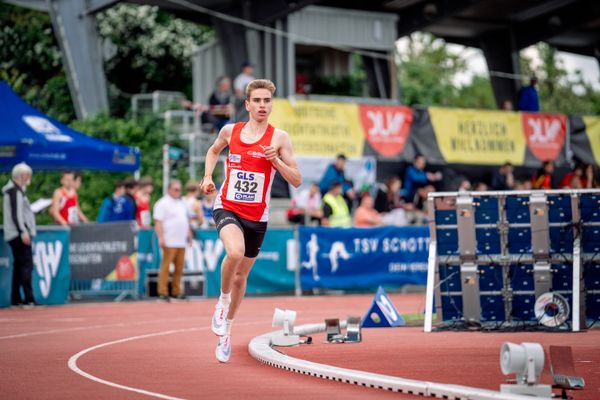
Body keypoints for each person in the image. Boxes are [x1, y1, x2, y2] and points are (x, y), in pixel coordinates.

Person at [200, 79, 301, 363]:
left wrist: (276, 162)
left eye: (267, 101)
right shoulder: (230, 131)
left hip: (257, 216)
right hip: (227, 206)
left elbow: (297, 180)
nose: (262, 105)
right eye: (256, 100)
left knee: (242, 276)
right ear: (247, 104)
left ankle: (228, 329)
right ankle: (221, 302)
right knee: (234, 252)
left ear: (271, 105)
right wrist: (208, 177)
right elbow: (212, 151)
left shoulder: (279, 138)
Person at [3, 163, 37, 308]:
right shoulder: (14, 192)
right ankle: (28, 298)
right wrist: (23, 232)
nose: (29, 178)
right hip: (17, 234)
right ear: (22, 176)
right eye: (27, 175)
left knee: (19, 266)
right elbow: (16, 215)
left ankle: (16, 298)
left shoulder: (15, 191)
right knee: (26, 265)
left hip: (15, 233)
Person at [153, 180, 193, 302]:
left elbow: (185, 221)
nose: (178, 192)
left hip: (181, 241)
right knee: (165, 267)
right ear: (169, 190)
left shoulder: (181, 203)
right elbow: (158, 221)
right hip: (169, 240)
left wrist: (189, 235)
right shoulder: (162, 203)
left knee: (179, 268)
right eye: (176, 189)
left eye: (179, 189)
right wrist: (161, 237)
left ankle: (176, 291)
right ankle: (162, 291)